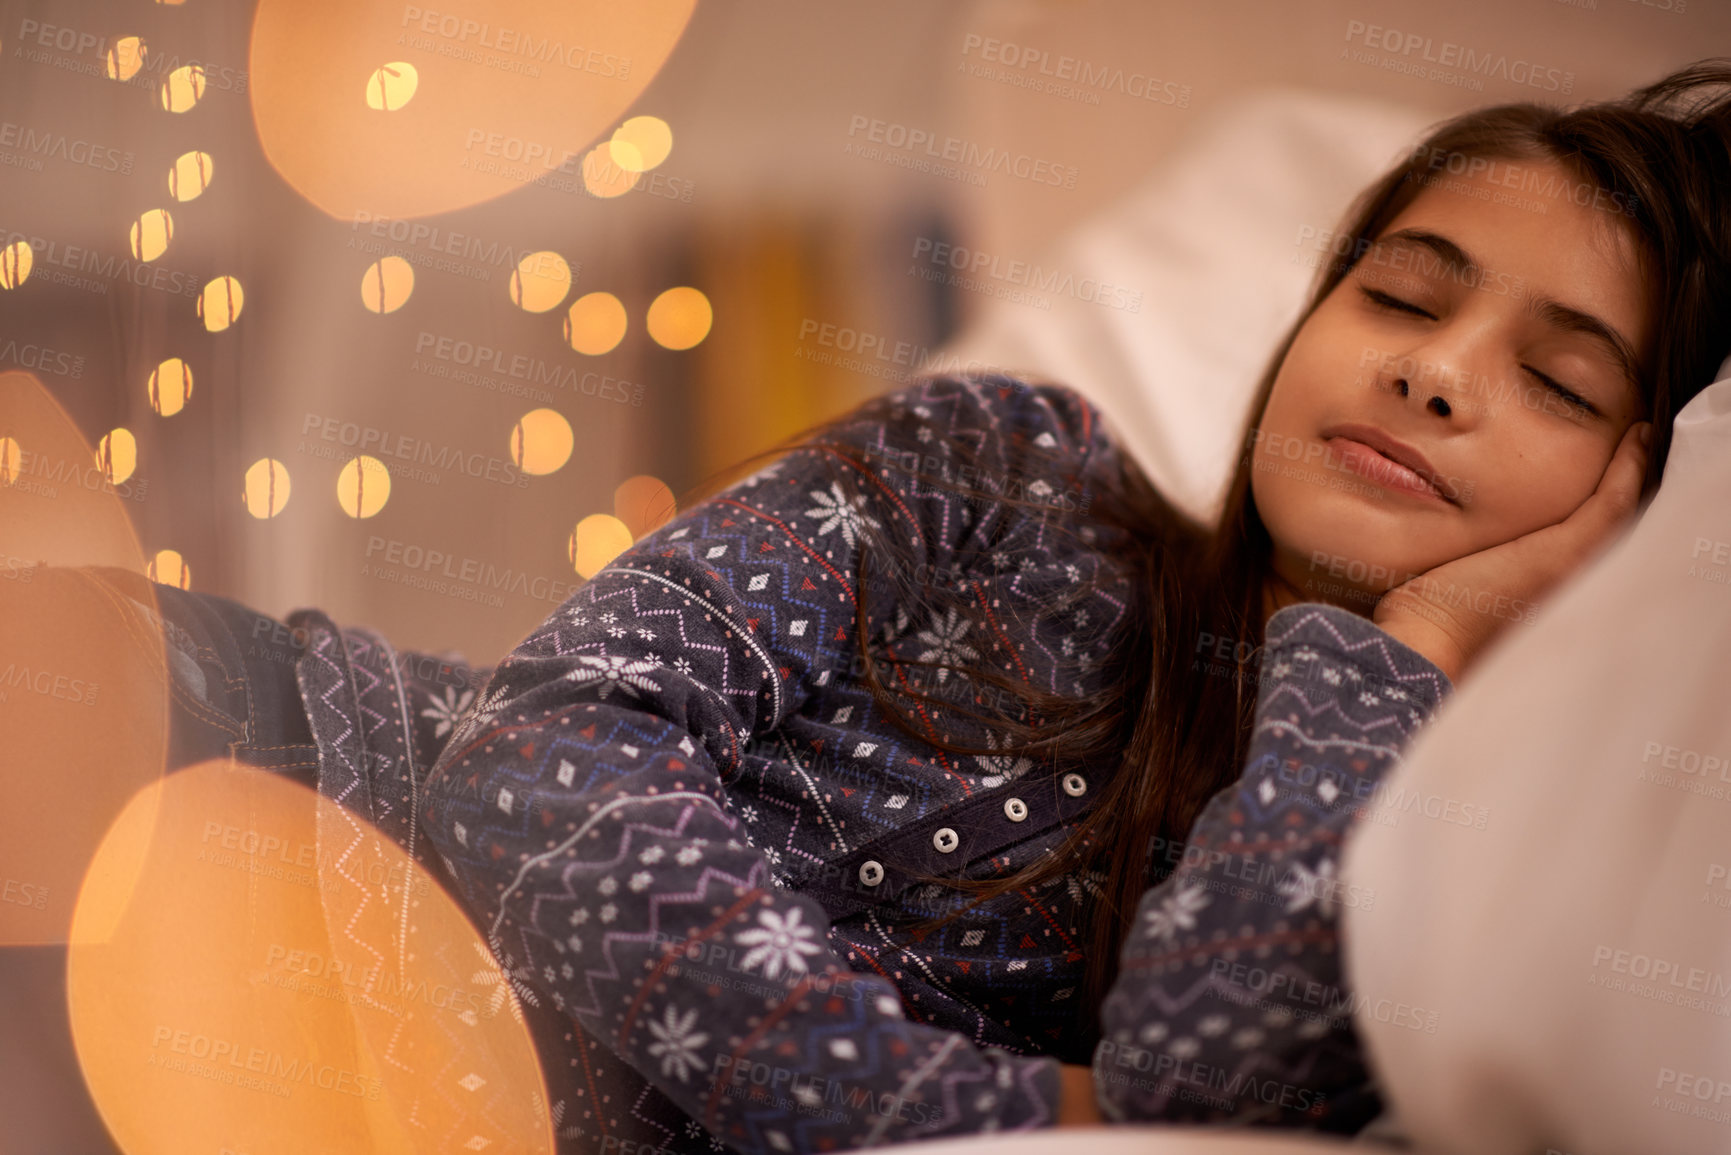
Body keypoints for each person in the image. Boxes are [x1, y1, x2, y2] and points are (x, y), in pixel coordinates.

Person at [28, 60, 1731, 1154]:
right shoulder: (1014, 464)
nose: (1435, 370)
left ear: (1641, 501)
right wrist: (954, 1111)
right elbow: (545, 748)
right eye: (1401, 296)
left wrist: (1397, 655)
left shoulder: (1444, 857)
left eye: (1559, 384)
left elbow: (1200, 1108)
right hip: (248, 765)